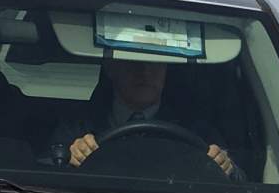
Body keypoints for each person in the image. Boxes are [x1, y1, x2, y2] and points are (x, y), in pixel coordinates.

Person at [53, 58, 240, 177]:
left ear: (166, 70)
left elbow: (239, 183)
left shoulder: (198, 131)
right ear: (111, 68)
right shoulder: (78, 125)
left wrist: (226, 166)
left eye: (155, 63)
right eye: (133, 61)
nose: (144, 71)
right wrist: (71, 157)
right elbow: (45, 172)